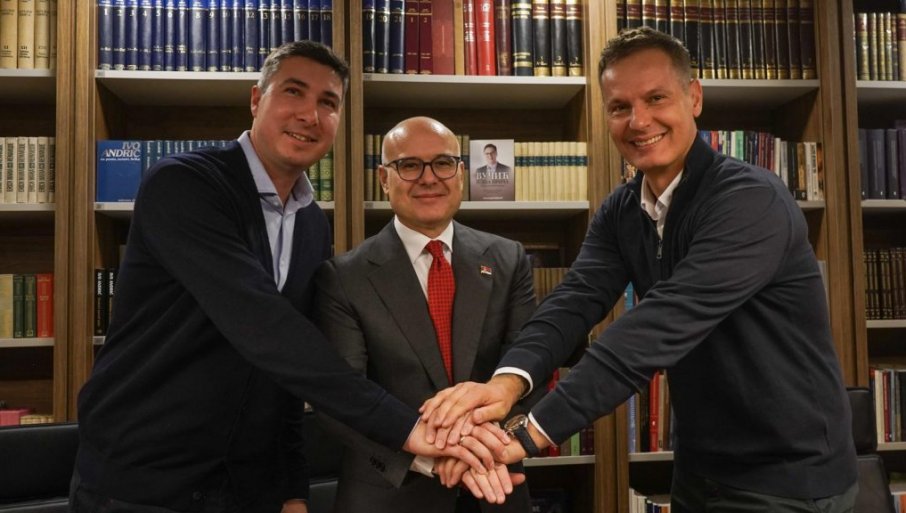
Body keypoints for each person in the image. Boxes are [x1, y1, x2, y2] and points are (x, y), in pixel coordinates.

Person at [421, 26, 858, 512]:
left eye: (656, 98)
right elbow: (572, 303)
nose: (639, 121)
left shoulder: (750, 200)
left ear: (694, 98)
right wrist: (503, 386)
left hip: (789, 475)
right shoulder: (622, 210)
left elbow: (656, 327)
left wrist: (526, 436)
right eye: (619, 107)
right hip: (699, 466)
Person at [70, 41, 502, 513]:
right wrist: (408, 428)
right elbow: (264, 327)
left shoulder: (311, 223)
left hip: (247, 487)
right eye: (293, 91)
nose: (309, 115)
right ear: (257, 100)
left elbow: (288, 370)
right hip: (144, 481)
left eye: (328, 102)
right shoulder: (184, 185)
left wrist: (291, 488)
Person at [314, 116, 539, 513]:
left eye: (443, 163)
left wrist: (486, 446)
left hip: (496, 486)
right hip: (390, 495)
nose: (429, 178)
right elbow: (342, 397)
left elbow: (528, 367)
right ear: (384, 179)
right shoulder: (343, 277)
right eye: (409, 165)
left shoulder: (508, 259)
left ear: (461, 173)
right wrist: (431, 456)